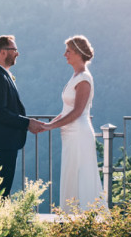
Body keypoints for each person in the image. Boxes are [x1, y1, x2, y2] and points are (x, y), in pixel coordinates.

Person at [44, 35, 106, 212]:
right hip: (70, 134)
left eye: (68, 51)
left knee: (82, 175)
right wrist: (47, 124)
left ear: (78, 53)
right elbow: (66, 110)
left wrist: (50, 126)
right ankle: (71, 217)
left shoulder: (84, 79)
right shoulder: (75, 76)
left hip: (79, 133)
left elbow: (77, 111)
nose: (65, 54)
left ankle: (87, 218)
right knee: (71, 174)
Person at [0, 35, 46, 198]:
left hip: (4, 142)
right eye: (14, 50)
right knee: (0, 191)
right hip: (2, 143)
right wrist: (27, 123)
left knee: (2, 189)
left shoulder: (2, 74)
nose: (17, 53)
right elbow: (0, 113)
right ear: (3, 52)